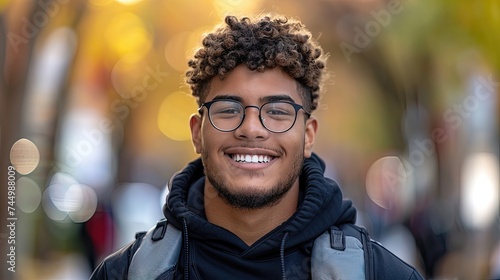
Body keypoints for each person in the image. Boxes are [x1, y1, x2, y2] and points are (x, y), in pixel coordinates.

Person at [90, 14, 424, 280]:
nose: (251, 128)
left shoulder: (381, 274)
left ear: (308, 135)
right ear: (197, 132)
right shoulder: (125, 273)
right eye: (228, 109)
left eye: (277, 112)